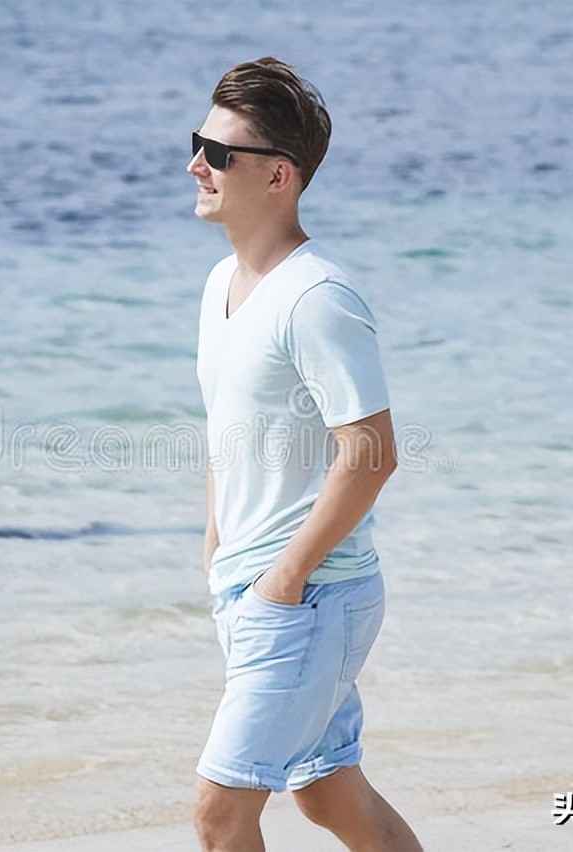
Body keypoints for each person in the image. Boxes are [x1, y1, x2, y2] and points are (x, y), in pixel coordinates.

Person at [187, 57, 425, 852]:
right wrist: (217, 542)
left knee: (220, 812)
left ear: (278, 175)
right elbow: (229, 423)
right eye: (196, 145)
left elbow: (372, 452)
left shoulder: (317, 297)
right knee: (329, 793)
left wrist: (285, 577)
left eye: (218, 153)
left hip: (309, 598)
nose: (196, 165)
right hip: (254, 592)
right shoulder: (221, 283)